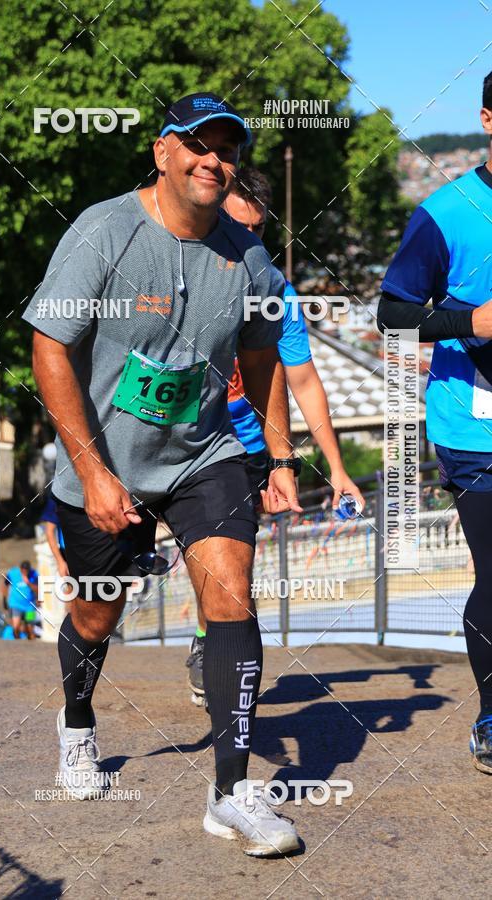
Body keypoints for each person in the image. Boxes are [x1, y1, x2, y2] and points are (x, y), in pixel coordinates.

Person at [24, 91, 305, 855]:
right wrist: (95, 469)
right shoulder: (105, 232)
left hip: (203, 455)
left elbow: (260, 356)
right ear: (163, 152)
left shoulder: (247, 258)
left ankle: (232, 793)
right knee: (95, 615)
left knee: (231, 594)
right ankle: (77, 724)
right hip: (105, 462)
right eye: (199, 145)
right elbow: (50, 347)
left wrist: (277, 455)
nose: (215, 161)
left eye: (228, 150)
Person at [185, 167, 365, 707]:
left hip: (242, 449)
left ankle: (215, 648)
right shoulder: (180, 277)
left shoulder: (275, 293)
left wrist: (335, 469)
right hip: (175, 439)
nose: (246, 244)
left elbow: (305, 383)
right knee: (107, 595)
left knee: (233, 561)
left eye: (257, 233)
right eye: (234, 227)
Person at [377, 70, 492, 774]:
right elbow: (390, 312)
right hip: (475, 427)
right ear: (487, 117)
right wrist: (470, 321)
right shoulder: (448, 211)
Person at [3, 560, 39, 640]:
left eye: (26, 571)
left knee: (30, 628)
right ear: (20, 569)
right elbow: (5, 585)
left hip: (30, 606)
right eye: (23, 570)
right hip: (16, 604)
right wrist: (4, 599)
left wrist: (28, 583)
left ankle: (31, 644)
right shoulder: (13, 573)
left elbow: (38, 589)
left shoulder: (34, 574)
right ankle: (18, 643)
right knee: (16, 626)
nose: (24, 572)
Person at [40, 493, 69, 578]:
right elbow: (49, 531)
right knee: (72, 587)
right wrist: (60, 562)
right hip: (68, 552)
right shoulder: (58, 495)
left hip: (96, 548)